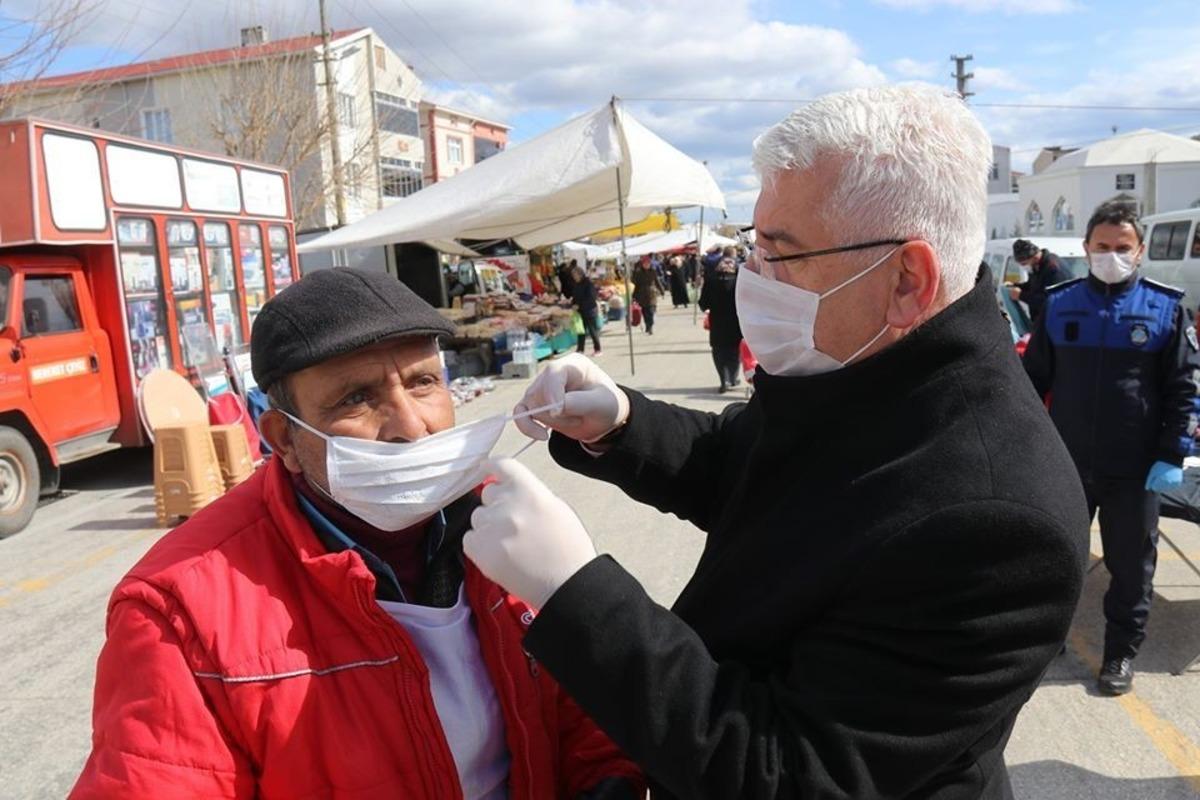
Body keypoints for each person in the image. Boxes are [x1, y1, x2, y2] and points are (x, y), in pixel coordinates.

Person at [462, 85, 1089, 799]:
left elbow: (789, 773)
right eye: (751, 246)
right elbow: (747, 459)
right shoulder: (871, 366)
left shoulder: (997, 519)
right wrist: (621, 423)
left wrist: (577, 594)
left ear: (907, 280)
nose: (752, 278)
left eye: (779, 253)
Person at [70, 268, 641, 799]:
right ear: (283, 439)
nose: (411, 428)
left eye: (423, 383)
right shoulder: (179, 612)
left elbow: (586, 725)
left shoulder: (509, 527)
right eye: (357, 398)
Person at [1023, 200, 1200, 696]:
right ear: (1085, 249)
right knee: (1055, 560)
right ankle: (1046, 640)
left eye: (1122, 248)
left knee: (1130, 568)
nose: (1111, 255)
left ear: (1139, 251)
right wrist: (1026, 447)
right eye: (1102, 247)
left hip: (1137, 468)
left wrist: (1172, 453)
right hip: (1066, 463)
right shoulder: (1059, 304)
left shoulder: (1166, 308)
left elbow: (1184, 389)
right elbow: (1031, 383)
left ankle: (1120, 653)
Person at [697, 252, 741, 392]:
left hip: (717, 325)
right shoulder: (739, 281)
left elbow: (703, 304)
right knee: (734, 353)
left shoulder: (711, 281)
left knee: (719, 353)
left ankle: (723, 380)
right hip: (736, 325)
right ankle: (732, 378)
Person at [1008, 238, 1071, 321]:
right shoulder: (1037, 266)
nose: (1025, 267)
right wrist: (1015, 286)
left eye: (1024, 263)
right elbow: (1034, 286)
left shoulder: (1053, 269)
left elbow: (1049, 300)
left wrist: (1021, 295)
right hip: (1041, 320)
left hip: (1056, 320)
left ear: (1034, 257)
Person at [570, 265, 603, 356]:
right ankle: (580, 349)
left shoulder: (588, 283)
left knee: (593, 331)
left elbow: (591, 297)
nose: (574, 277)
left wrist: (579, 304)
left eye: (575, 275)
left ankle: (598, 349)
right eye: (573, 276)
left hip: (590, 310)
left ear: (580, 274)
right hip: (580, 311)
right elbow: (575, 296)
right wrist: (573, 304)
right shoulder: (576, 284)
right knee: (581, 331)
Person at [631, 257, 665, 335]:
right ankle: (648, 326)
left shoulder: (653, 271)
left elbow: (657, 282)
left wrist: (662, 290)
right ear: (642, 264)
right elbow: (634, 284)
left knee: (651, 311)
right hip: (641, 294)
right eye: (645, 264)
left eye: (648, 263)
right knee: (645, 312)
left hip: (652, 293)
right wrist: (633, 295)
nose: (646, 265)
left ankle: (650, 325)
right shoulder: (638, 273)